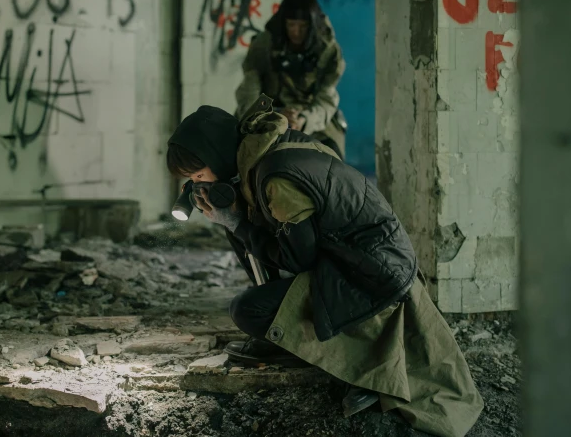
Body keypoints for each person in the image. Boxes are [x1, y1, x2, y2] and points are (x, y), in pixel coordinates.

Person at [165, 95, 483, 436]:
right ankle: (298, 342)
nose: (200, 184)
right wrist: (237, 220)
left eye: (199, 174)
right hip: (357, 259)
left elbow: (296, 258)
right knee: (248, 253)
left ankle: (353, 368)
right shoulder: (269, 150)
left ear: (218, 155)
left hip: (371, 274)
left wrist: (237, 225)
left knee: (247, 310)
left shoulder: (275, 178)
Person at [234, 0, 347, 159]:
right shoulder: (264, 44)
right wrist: (269, 116)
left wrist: (303, 120)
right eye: (291, 25)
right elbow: (249, 90)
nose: (296, 32)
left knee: (333, 160)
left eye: (303, 26)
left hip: (313, 116)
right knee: (238, 153)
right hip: (269, 112)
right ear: (283, 23)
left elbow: (326, 98)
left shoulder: (327, 50)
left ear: (313, 25)